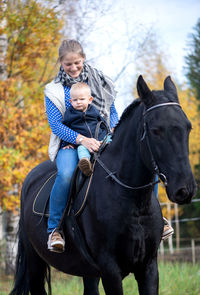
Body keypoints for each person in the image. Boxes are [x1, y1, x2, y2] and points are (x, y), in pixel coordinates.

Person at [44, 39, 119, 252]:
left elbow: (111, 112)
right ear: (61, 62)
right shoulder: (53, 90)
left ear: (83, 59)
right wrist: (81, 140)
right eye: (68, 64)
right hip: (70, 143)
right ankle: (54, 230)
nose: (74, 68)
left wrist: (113, 129)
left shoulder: (100, 81)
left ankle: (156, 220)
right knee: (66, 174)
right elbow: (56, 125)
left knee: (134, 161)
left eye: (77, 62)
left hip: (102, 137)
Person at [62, 82, 111, 177]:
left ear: (90, 100)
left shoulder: (93, 110)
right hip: (83, 143)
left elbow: (102, 122)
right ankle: (85, 163)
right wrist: (67, 143)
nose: (78, 102)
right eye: (75, 100)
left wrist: (108, 133)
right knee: (81, 150)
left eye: (82, 99)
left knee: (110, 141)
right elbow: (65, 128)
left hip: (100, 138)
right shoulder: (69, 114)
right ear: (71, 102)